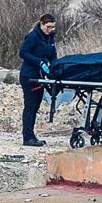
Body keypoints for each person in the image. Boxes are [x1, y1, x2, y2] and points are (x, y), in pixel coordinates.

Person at [18, 13, 58, 148]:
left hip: (41, 76)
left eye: (52, 27)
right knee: (30, 106)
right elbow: (23, 52)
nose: (50, 29)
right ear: (41, 24)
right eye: (48, 27)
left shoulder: (50, 36)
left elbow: (52, 53)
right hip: (29, 76)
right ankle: (27, 137)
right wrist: (39, 62)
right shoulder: (33, 36)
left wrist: (54, 65)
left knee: (36, 106)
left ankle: (31, 135)